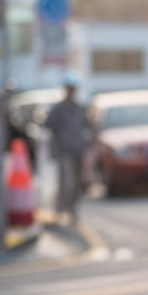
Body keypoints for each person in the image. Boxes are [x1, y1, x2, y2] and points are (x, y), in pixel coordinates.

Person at [45, 76, 93, 223]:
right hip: (63, 150)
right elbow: (48, 125)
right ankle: (60, 210)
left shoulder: (80, 109)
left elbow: (89, 127)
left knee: (77, 183)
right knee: (66, 181)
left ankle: (72, 210)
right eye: (69, 89)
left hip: (78, 150)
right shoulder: (58, 109)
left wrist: (88, 147)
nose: (71, 92)